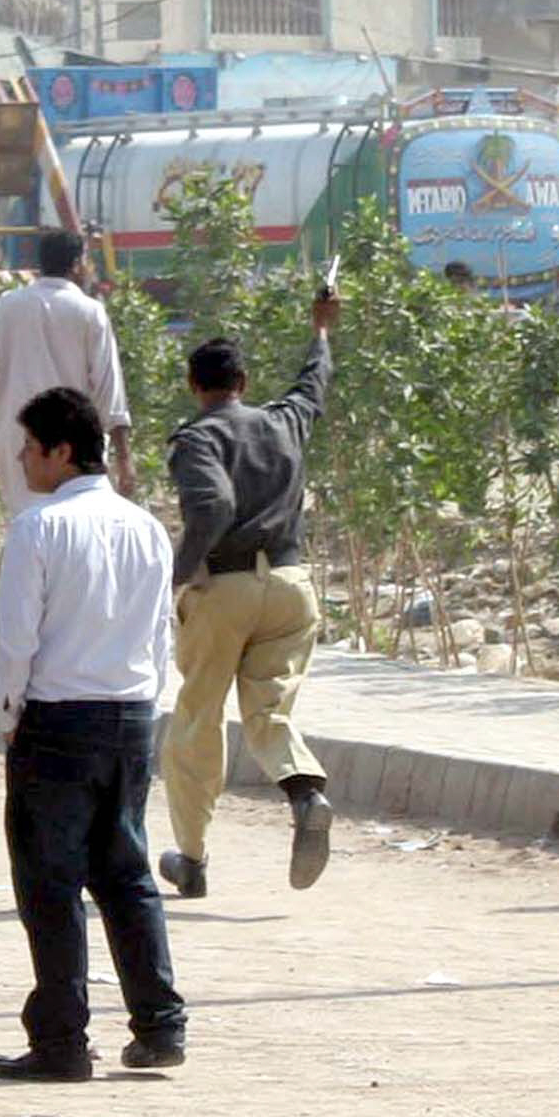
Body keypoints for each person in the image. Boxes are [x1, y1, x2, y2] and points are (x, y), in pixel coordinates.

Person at [0, 386, 183, 1080]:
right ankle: (160, 1025)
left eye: (30, 448)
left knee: (50, 884)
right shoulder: (147, 528)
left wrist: (9, 716)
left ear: (61, 451)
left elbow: (15, 640)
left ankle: (62, 1041)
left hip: (58, 720)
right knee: (127, 876)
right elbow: (160, 635)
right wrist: (147, 707)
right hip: (129, 715)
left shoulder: (39, 528)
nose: (22, 461)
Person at [159, 292, 340, 901]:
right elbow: (313, 383)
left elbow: (212, 506)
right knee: (269, 713)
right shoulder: (282, 421)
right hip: (291, 588)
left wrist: (179, 575)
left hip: (224, 588)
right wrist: (320, 330)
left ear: (194, 384)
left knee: (196, 721)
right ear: (243, 381)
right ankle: (305, 793)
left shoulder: (197, 439)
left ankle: (191, 857)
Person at [0, 229, 134, 517]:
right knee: (76, 526)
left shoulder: (8, 306)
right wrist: (124, 458)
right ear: (76, 264)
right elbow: (109, 390)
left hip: (17, 440)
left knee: (27, 524)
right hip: (73, 444)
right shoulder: (90, 311)